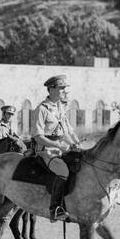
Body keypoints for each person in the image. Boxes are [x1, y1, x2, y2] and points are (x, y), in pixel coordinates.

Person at [33, 75, 81, 221]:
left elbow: (64, 131)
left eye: (64, 88)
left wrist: (74, 143)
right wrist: (57, 145)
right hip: (45, 151)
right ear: (51, 89)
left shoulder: (59, 106)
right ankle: (55, 209)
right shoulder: (41, 109)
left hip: (61, 148)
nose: (63, 91)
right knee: (63, 171)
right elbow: (38, 136)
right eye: (61, 88)